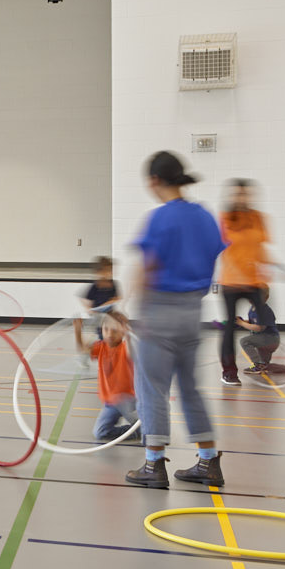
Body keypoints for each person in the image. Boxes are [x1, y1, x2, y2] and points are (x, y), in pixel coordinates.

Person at [126, 151, 228, 489]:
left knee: (152, 389)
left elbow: (147, 267)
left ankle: (153, 465)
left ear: (155, 181)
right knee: (190, 389)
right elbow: (215, 254)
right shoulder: (204, 216)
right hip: (193, 311)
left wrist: (131, 313)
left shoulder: (160, 218)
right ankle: (208, 462)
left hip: (160, 311)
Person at [217, 180, 277, 386]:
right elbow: (220, 248)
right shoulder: (225, 219)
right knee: (229, 328)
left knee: (263, 321)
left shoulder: (257, 218)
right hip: (231, 282)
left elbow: (260, 247)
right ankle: (229, 372)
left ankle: (263, 360)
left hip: (254, 282)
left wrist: (271, 266)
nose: (241, 198)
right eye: (237, 194)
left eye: (244, 194)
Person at [76, 309, 137, 441]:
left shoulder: (125, 347)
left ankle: (143, 430)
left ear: (122, 332)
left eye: (114, 330)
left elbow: (131, 351)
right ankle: (134, 432)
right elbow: (83, 349)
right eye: (106, 329)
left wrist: (127, 332)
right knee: (100, 432)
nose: (109, 334)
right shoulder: (101, 347)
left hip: (127, 400)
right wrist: (77, 330)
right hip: (110, 401)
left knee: (143, 428)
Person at [79, 256, 120, 330]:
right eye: (107, 270)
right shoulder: (96, 286)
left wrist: (108, 304)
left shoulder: (113, 284)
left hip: (110, 316)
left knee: (110, 332)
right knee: (102, 332)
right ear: (99, 272)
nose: (110, 273)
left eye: (111, 270)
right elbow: (86, 301)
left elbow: (116, 298)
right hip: (98, 317)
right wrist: (89, 309)